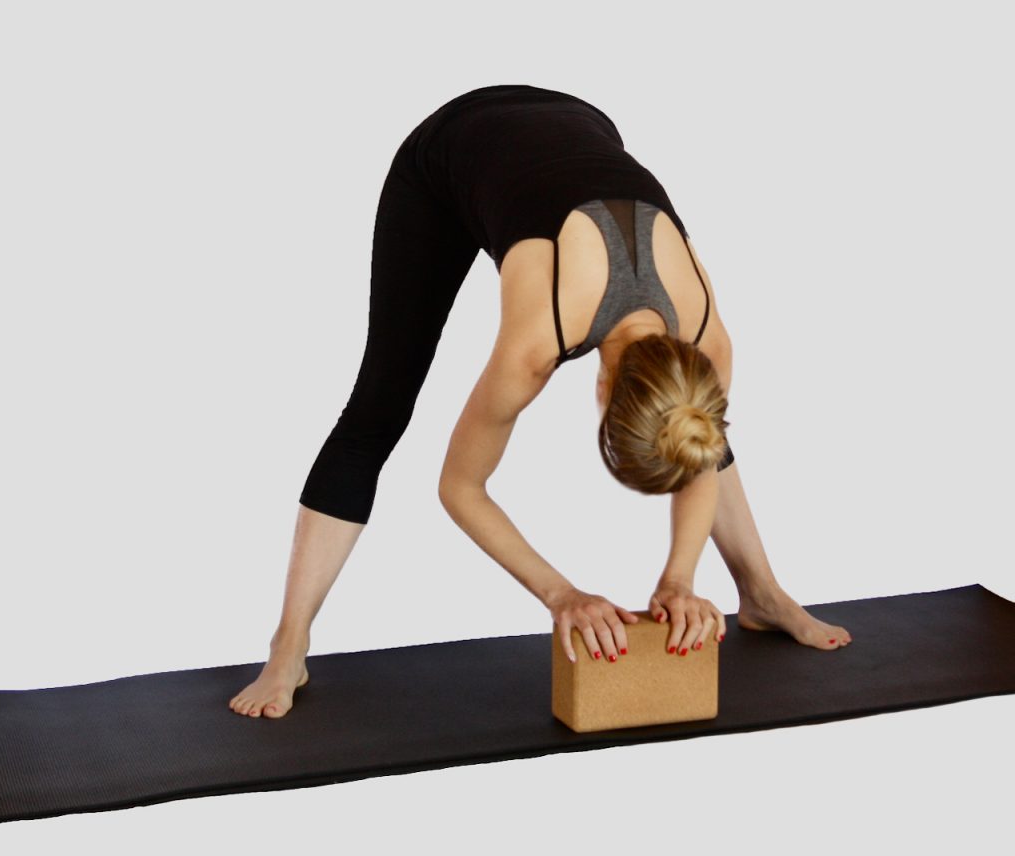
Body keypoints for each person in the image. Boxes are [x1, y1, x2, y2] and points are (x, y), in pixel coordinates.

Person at [229, 84, 852, 719]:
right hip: (450, 149)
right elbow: (459, 487)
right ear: (602, 391)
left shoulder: (708, 345)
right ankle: (288, 646)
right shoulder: (538, 339)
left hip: (580, 121)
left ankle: (761, 593)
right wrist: (560, 595)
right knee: (379, 408)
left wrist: (680, 581)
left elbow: (701, 445)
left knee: (686, 427)